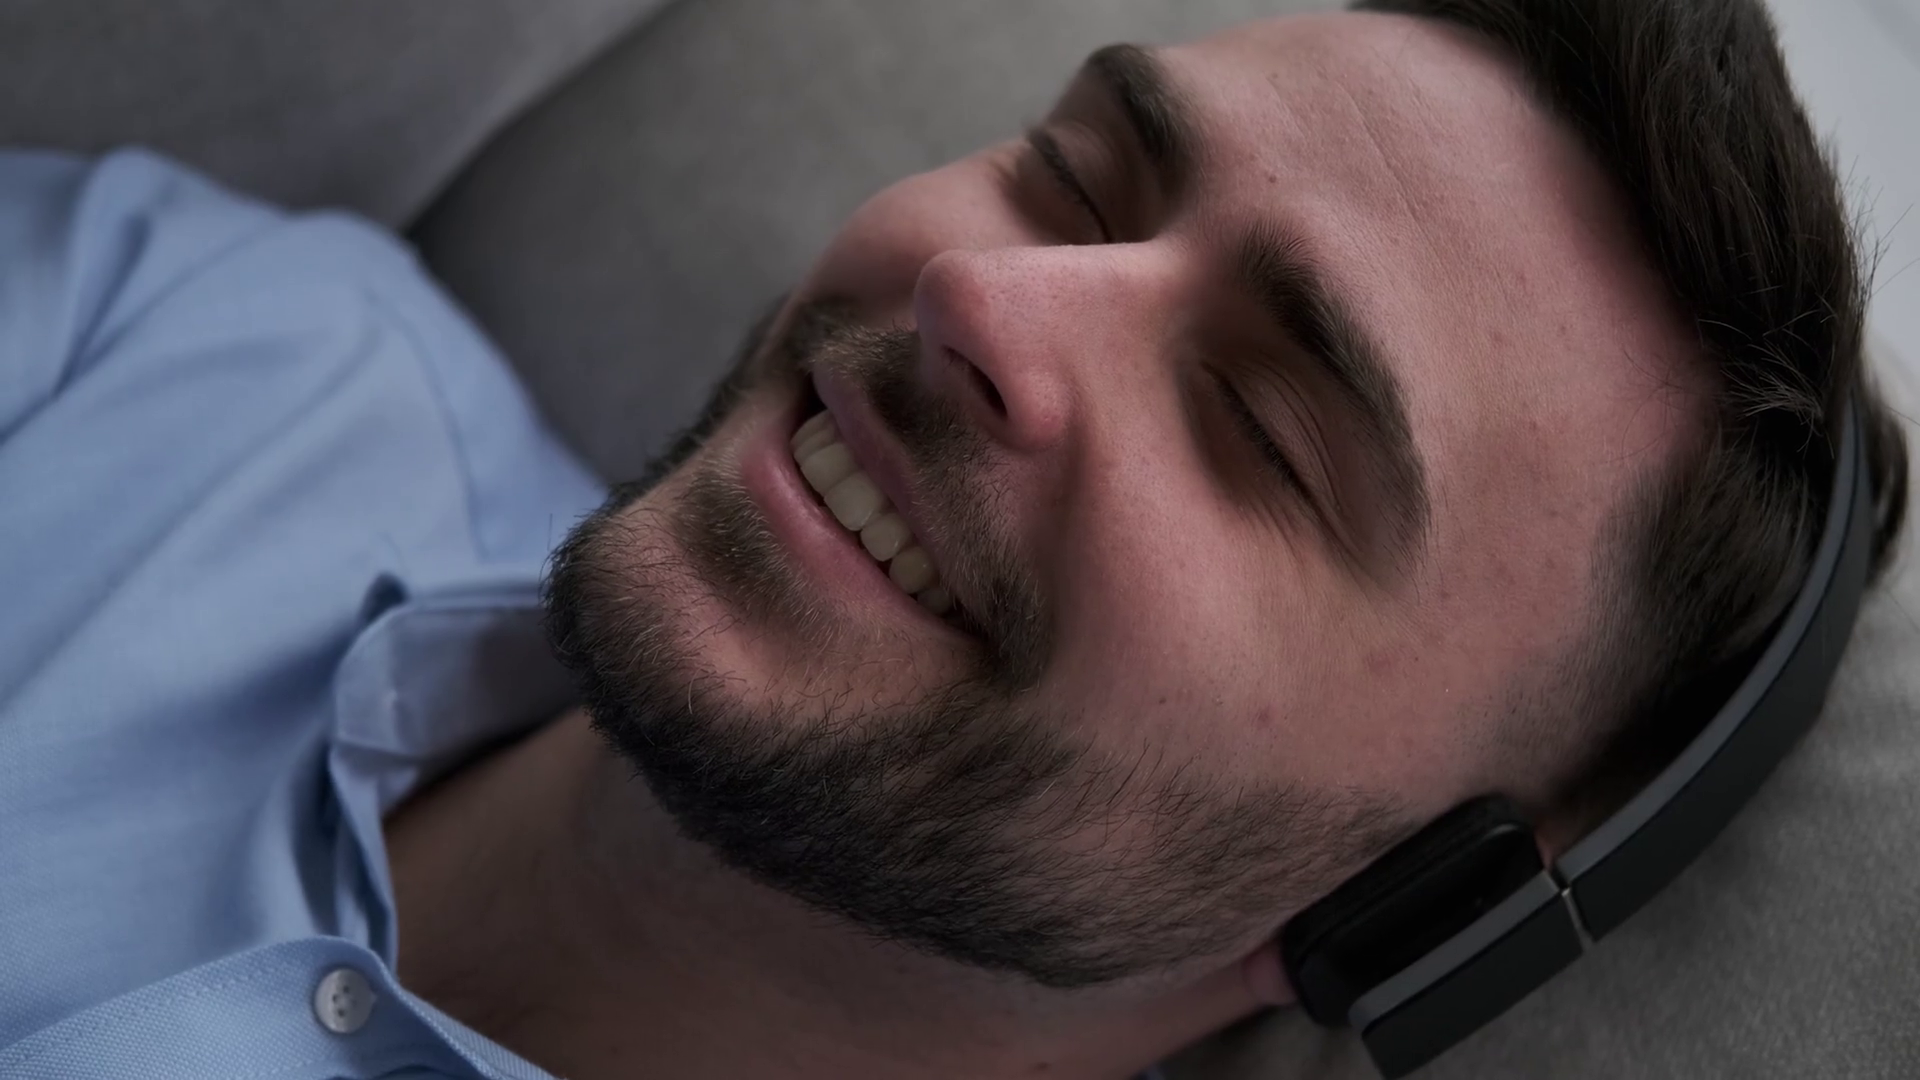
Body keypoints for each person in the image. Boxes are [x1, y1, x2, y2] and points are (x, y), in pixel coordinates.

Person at [0, 0, 1907, 1077]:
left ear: (1424, 903)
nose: (987, 300)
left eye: (1263, 431)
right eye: (1073, 181)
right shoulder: (207, 333)